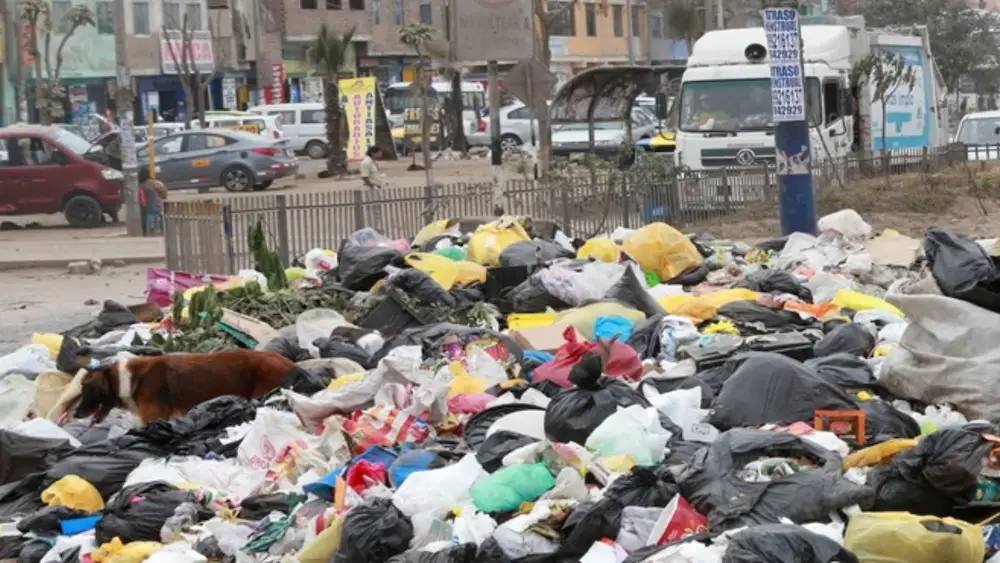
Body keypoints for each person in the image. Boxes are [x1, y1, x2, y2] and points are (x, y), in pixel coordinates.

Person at [359, 146, 385, 232]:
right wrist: (372, 186)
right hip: (371, 188)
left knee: (377, 209)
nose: (381, 154)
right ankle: (371, 228)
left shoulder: (373, 162)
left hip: (377, 187)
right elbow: (364, 177)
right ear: (373, 153)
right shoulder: (366, 162)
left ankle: (376, 227)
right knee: (371, 209)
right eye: (379, 152)